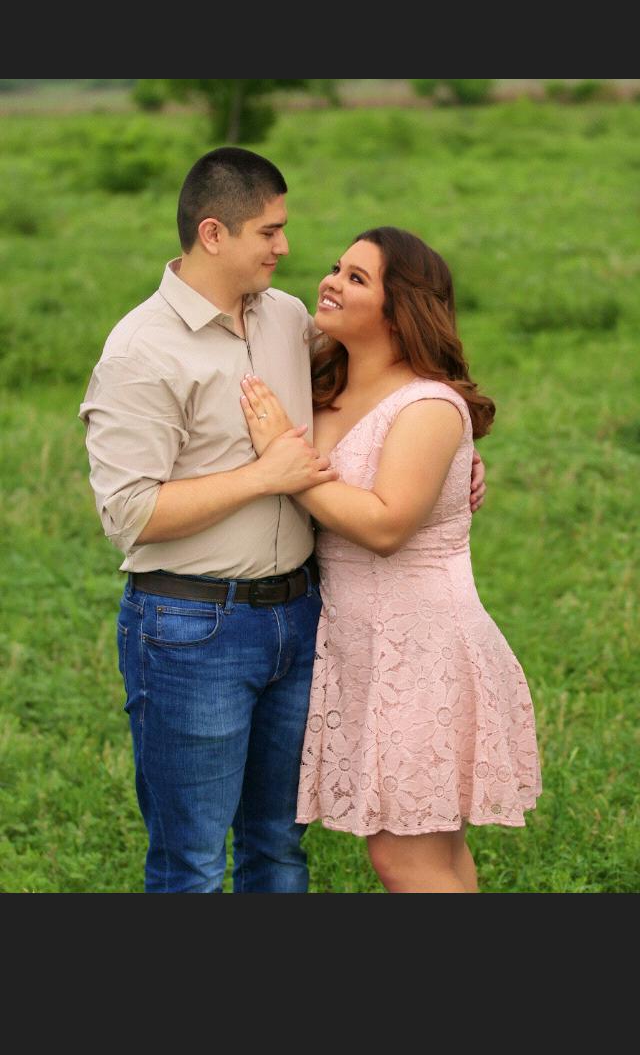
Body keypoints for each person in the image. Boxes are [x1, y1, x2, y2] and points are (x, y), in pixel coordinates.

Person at [78, 147, 486, 894]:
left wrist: (448, 459)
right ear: (213, 234)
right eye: (269, 231)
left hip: (300, 622)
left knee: (276, 850)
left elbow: (382, 382)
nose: (286, 247)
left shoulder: (288, 319)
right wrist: (264, 475)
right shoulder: (140, 351)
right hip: (192, 628)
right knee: (193, 865)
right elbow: (129, 514)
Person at [238, 226, 541, 894]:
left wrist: (284, 463)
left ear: (401, 310)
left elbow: (385, 526)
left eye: (356, 278)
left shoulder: (427, 405)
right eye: (336, 268)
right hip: (361, 646)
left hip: (421, 648)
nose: (330, 282)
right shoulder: (324, 385)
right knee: (436, 852)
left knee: (405, 859)